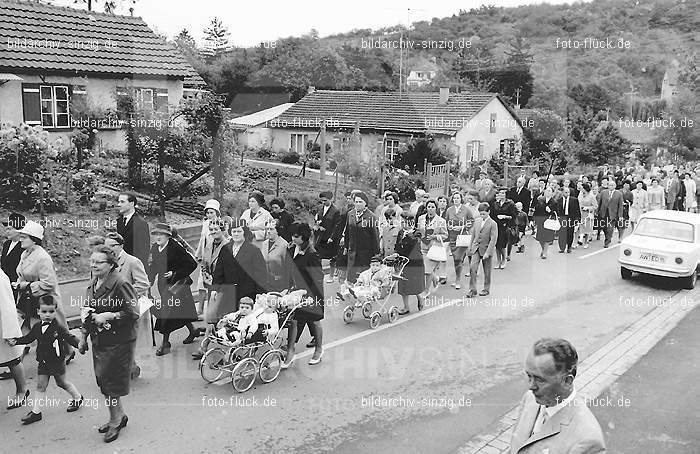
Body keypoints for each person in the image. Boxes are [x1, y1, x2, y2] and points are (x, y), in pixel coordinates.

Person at [79, 245, 139, 443]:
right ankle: (119, 416)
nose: (93, 265)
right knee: (104, 381)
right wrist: (82, 337)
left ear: (111, 264)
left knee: (109, 382)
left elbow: (133, 312)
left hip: (119, 341)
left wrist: (111, 315)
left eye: (98, 262)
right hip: (100, 340)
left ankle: (115, 420)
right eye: (92, 261)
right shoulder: (94, 282)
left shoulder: (120, 283)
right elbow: (88, 311)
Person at [510, 338, 606, 454]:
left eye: (540, 380)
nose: (531, 386)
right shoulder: (530, 398)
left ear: (567, 381)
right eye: (529, 376)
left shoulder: (587, 439)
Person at [9, 295, 83, 425]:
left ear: (55, 311)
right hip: (43, 362)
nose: (47, 315)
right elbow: (29, 338)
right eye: (44, 312)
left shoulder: (58, 327)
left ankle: (77, 397)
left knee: (62, 383)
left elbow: (69, 337)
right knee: (40, 385)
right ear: (38, 311)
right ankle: (36, 412)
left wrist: (80, 344)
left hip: (57, 362)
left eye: (51, 311)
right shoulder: (37, 326)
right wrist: (16, 341)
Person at [14, 221, 73, 362]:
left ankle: (68, 351)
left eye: (24, 236)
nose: (20, 239)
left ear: (34, 239)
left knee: (55, 329)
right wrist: (18, 283)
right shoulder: (25, 254)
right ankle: (15, 362)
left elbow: (49, 283)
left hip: (46, 301)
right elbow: (21, 273)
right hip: (29, 299)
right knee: (24, 328)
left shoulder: (42, 258)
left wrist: (26, 286)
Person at [147, 223, 199, 356]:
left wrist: (174, 273)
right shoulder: (154, 248)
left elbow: (192, 264)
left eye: (161, 235)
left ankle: (165, 344)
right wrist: (149, 281)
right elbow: (153, 267)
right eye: (156, 234)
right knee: (180, 311)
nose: (158, 237)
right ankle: (193, 331)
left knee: (167, 313)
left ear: (168, 236)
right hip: (163, 286)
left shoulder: (175, 247)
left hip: (178, 285)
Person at [104, 232, 149, 380]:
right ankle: (129, 366)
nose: (109, 249)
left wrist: (124, 295)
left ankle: (130, 366)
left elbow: (143, 284)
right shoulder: (107, 263)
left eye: (112, 245)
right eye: (106, 246)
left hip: (132, 306)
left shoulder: (132, 261)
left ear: (121, 245)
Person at [192, 220, 237, 360]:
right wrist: (205, 274)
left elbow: (231, 268)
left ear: (223, 230)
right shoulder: (209, 244)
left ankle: (228, 349)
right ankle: (206, 347)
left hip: (226, 286)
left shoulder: (229, 245)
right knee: (213, 318)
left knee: (224, 318)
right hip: (212, 285)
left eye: (216, 229)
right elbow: (204, 263)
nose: (213, 232)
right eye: (211, 230)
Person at [282, 222, 324, 368]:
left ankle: (318, 350)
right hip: (296, 291)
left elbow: (317, 278)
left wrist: (312, 296)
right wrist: (287, 288)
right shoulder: (291, 248)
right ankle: (290, 352)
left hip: (312, 292)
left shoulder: (312, 254)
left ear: (304, 237)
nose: (293, 238)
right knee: (293, 320)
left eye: (297, 236)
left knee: (314, 321)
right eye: (292, 235)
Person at [1, 268, 29, 410]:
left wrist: (11, 332)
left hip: (2, 327)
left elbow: (7, 307)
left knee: (12, 359)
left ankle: (22, 390)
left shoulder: (0, 277)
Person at [343, 192, 380, 283]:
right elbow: (347, 232)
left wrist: (376, 253)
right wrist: (346, 246)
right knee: (351, 278)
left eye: (360, 202)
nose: (358, 204)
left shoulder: (371, 217)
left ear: (365, 203)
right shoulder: (350, 214)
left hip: (365, 253)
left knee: (364, 279)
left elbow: (375, 236)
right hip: (352, 252)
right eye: (356, 202)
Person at [393, 214, 426, 314]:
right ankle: (406, 307)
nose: (402, 224)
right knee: (403, 285)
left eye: (404, 221)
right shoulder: (400, 232)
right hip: (403, 261)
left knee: (414, 284)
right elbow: (398, 245)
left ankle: (420, 297)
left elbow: (413, 243)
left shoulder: (417, 233)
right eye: (401, 221)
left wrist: (407, 234)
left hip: (415, 262)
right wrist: (396, 253)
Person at [194, 199, 220, 317]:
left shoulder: (220, 225)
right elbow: (202, 240)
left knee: (211, 284)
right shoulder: (205, 224)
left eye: (212, 213)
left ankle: (210, 309)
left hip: (214, 257)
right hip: (205, 257)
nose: (209, 215)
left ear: (217, 213)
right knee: (201, 284)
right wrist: (198, 254)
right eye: (208, 213)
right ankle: (199, 309)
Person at [466, 203, 498, 297]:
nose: (482, 215)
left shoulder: (493, 224)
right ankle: (472, 289)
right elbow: (473, 235)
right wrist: (470, 246)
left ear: (489, 212)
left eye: (484, 213)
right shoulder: (477, 221)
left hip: (486, 249)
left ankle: (486, 289)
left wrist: (488, 252)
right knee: (473, 268)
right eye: (481, 213)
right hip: (476, 248)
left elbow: (493, 239)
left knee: (487, 271)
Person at [417, 199, 448, 295]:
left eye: (433, 207)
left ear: (436, 208)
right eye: (429, 207)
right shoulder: (421, 218)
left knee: (427, 270)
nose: (430, 209)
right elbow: (419, 230)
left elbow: (445, 235)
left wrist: (434, 236)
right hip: (423, 246)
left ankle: (426, 290)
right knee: (424, 269)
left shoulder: (441, 221)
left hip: (434, 248)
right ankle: (435, 278)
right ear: (426, 208)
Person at [445, 192, 474, 287]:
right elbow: (446, 222)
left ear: (461, 199)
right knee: (455, 259)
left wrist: (462, 227)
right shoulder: (449, 210)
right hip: (452, 237)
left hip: (462, 236)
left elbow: (471, 221)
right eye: (454, 198)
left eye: (458, 198)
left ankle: (458, 280)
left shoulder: (466, 210)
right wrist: (450, 226)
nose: (456, 200)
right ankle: (457, 278)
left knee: (458, 258)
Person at [116, 192, 150, 272]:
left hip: (134, 267)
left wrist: (137, 269)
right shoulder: (119, 221)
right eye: (118, 201)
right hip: (121, 266)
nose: (118, 204)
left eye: (122, 202)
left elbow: (144, 250)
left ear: (131, 204)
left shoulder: (140, 223)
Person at [313, 191, 340, 284]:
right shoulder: (320, 208)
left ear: (331, 199)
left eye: (325, 200)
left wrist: (332, 237)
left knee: (332, 258)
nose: (323, 202)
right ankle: (319, 275)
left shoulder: (336, 211)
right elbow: (317, 219)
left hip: (330, 238)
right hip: (320, 237)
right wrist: (316, 225)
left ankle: (331, 276)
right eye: (322, 201)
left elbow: (337, 226)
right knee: (318, 257)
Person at [1, 213, 25, 301]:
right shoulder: (6, 244)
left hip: (16, 286)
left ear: (19, 230)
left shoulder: (24, 246)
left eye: (9, 229)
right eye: (6, 229)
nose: (7, 231)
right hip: (5, 285)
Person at [491, 187, 518, 268]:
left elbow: (514, 216)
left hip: (505, 226)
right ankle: (498, 261)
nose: (501, 194)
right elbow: (492, 215)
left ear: (506, 194)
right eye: (500, 193)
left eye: (503, 193)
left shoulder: (510, 204)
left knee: (502, 245)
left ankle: (504, 260)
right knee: (496, 244)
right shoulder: (495, 203)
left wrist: (505, 216)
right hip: (496, 225)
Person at [261, 220, 290, 293]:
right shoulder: (264, 244)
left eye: (271, 229)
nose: (268, 231)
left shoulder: (284, 245)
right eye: (267, 229)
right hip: (265, 283)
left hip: (279, 284)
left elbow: (288, 268)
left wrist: (287, 287)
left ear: (277, 231)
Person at [597, 179, 625, 248]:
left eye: (612, 185)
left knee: (610, 229)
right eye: (609, 185)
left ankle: (607, 241)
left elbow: (620, 205)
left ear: (615, 186)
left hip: (612, 214)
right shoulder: (603, 192)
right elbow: (599, 203)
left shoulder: (619, 194)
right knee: (604, 228)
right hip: (603, 213)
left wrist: (620, 215)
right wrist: (597, 211)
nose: (610, 186)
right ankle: (607, 237)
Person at [533, 188, 558, 259]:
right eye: (547, 190)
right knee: (540, 237)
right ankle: (543, 249)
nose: (547, 192)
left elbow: (557, 213)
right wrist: (534, 219)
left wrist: (550, 211)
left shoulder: (554, 202)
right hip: (540, 220)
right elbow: (536, 210)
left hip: (549, 221)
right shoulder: (540, 200)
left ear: (552, 193)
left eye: (549, 191)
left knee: (547, 237)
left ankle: (545, 252)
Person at [556, 187, 581, 254]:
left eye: (568, 192)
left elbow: (577, 210)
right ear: (563, 193)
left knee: (570, 233)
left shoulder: (574, 200)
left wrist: (577, 220)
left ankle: (569, 246)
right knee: (561, 233)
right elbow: (557, 210)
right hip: (562, 218)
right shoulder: (559, 200)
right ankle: (562, 247)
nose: (567, 194)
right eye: (566, 192)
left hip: (571, 218)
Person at [577, 183, 598, 249]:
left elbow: (595, 206)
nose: (581, 189)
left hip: (587, 214)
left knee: (587, 229)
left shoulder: (591, 196)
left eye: (582, 188)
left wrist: (587, 208)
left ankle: (586, 242)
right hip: (580, 213)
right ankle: (577, 241)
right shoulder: (580, 195)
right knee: (579, 228)